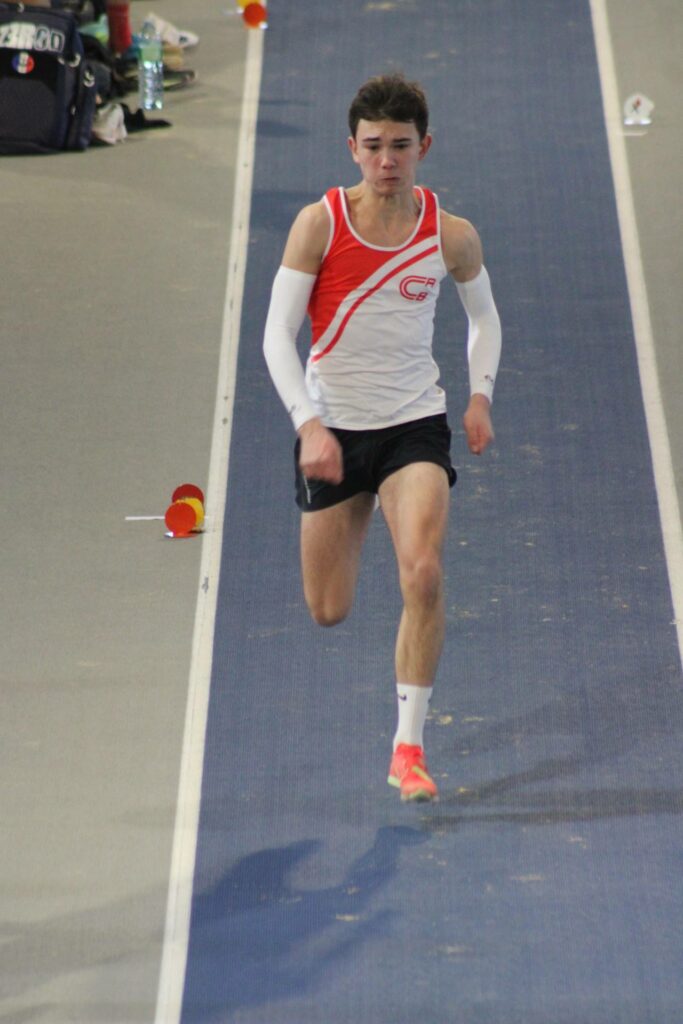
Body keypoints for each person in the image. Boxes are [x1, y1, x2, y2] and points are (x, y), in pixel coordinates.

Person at [263, 73, 501, 802]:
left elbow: (484, 318)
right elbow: (276, 335)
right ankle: (353, 511)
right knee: (327, 609)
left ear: (424, 146)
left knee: (422, 572)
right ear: (352, 148)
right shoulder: (319, 224)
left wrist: (479, 397)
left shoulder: (450, 234)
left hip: (412, 429)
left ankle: (408, 748)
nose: (387, 160)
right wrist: (308, 424)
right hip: (333, 432)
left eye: (400, 145)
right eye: (373, 146)